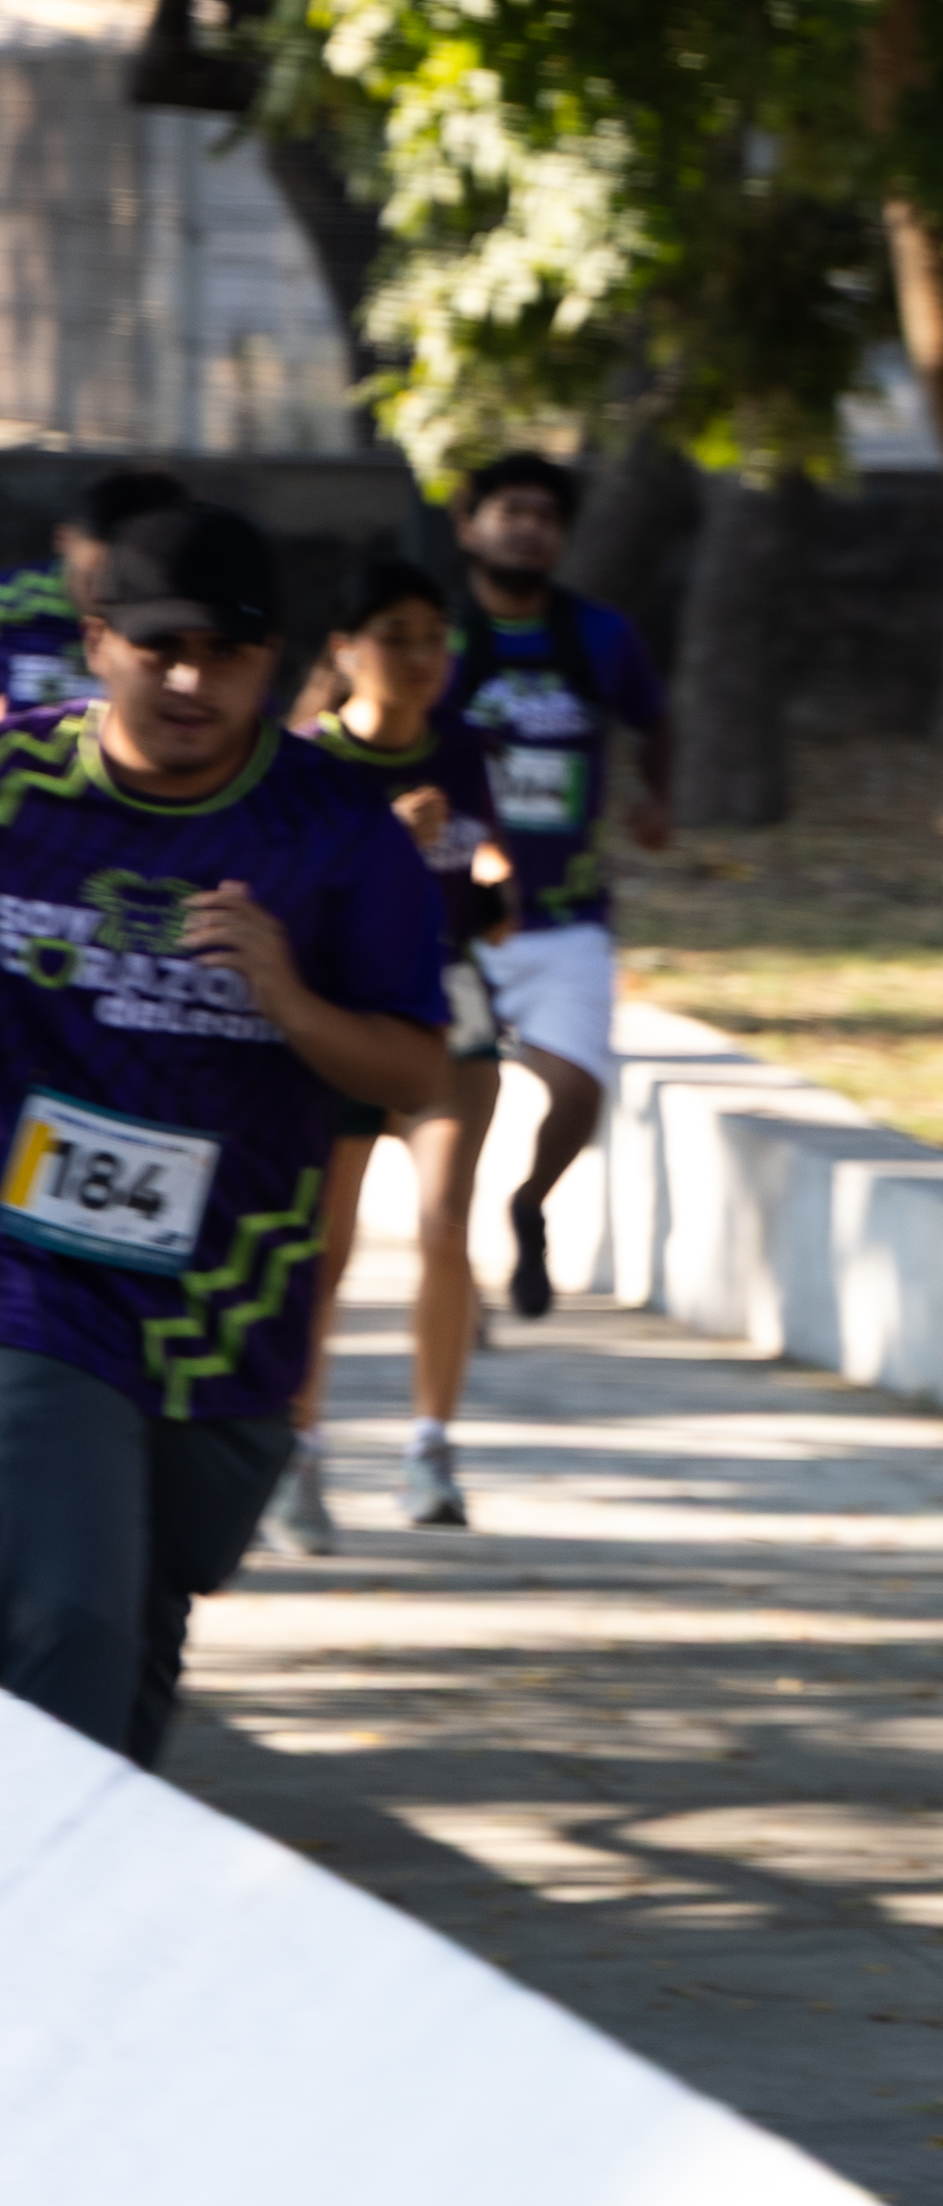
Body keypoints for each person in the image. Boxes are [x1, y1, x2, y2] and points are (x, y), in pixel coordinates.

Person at [0, 502, 449, 1764]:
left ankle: (95, 1898)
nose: (194, 679)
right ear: (98, 645)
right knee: (66, 1616)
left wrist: (292, 1001)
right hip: (27, 1277)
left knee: (148, 1610)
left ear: (273, 660)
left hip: (226, 1303)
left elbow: (416, 1069)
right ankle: (35, 1923)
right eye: (162, 646)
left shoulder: (336, 836)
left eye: (230, 652)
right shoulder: (13, 789)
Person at [277, 560, 519, 1546]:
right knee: (322, 1254)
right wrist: (382, 842)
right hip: (337, 1025)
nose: (421, 658)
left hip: (448, 1008)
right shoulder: (301, 763)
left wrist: (497, 885)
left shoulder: (465, 753)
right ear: (346, 649)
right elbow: (282, 896)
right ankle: (300, 1455)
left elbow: (490, 879)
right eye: (397, 636)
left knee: (446, 1220)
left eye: (435, 636)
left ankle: (432, 1449)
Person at [434, 452, 672, 1324]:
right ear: (469, 526)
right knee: (452, 1115)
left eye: (546, 516)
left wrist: (657, 798)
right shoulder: (438, 639)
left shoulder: (603, 638)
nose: (529, 528)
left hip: (568, 914)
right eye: (510, 511)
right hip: (454, 922)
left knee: (578, 1092)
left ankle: (531, 1203)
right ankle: (450, 1282)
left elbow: (654, 717)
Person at [0, 468, 191, 718]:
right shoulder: (10, 598)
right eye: (91, 578)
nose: (103, 595)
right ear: (63, 539)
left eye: (126, 584)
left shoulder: (190, 620)